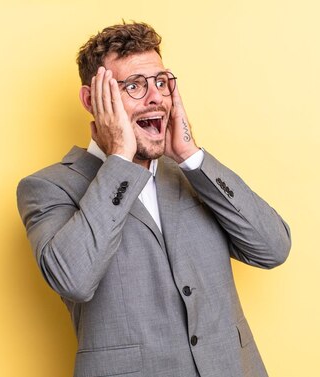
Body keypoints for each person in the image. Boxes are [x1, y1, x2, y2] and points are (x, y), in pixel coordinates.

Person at [17, 21, 291, 377]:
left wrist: (191, 155)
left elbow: (272, 248)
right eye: (134, 86)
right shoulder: (49, 187)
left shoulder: (194, 175)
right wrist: (119, 159)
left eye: (161, 82)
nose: (156, 98)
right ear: (91, 100)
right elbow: (74, 280)